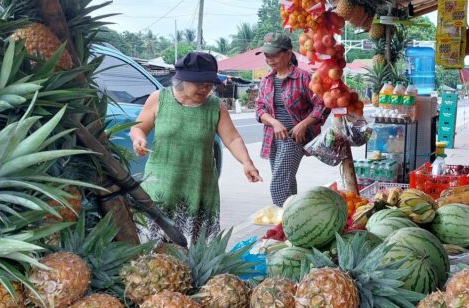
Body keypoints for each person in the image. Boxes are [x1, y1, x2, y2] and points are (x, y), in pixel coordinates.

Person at [130, 51, 263, 245]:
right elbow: (138, 127)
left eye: (209, 84)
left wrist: (247, 163)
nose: (206, 88)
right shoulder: (160, 98)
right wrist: (138, 139)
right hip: (160, 188)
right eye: (200, 83)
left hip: (198, 189)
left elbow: (232, 138)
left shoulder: (216, 106)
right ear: (182, 80)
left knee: (192, 251)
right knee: (155, 251)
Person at [255, 32, 328, 207]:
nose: (269, 59)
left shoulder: (303, 77)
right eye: (267, 55)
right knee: (286, 179)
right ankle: (293, 217)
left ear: (288, 53)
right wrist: (274, 122)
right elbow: (259, 109)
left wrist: (303, 124)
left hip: (293, 137)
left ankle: (282, 217)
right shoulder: (266, 80)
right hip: (272, 137)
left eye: (274, 54)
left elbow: (323, 104)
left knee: (279, 184)